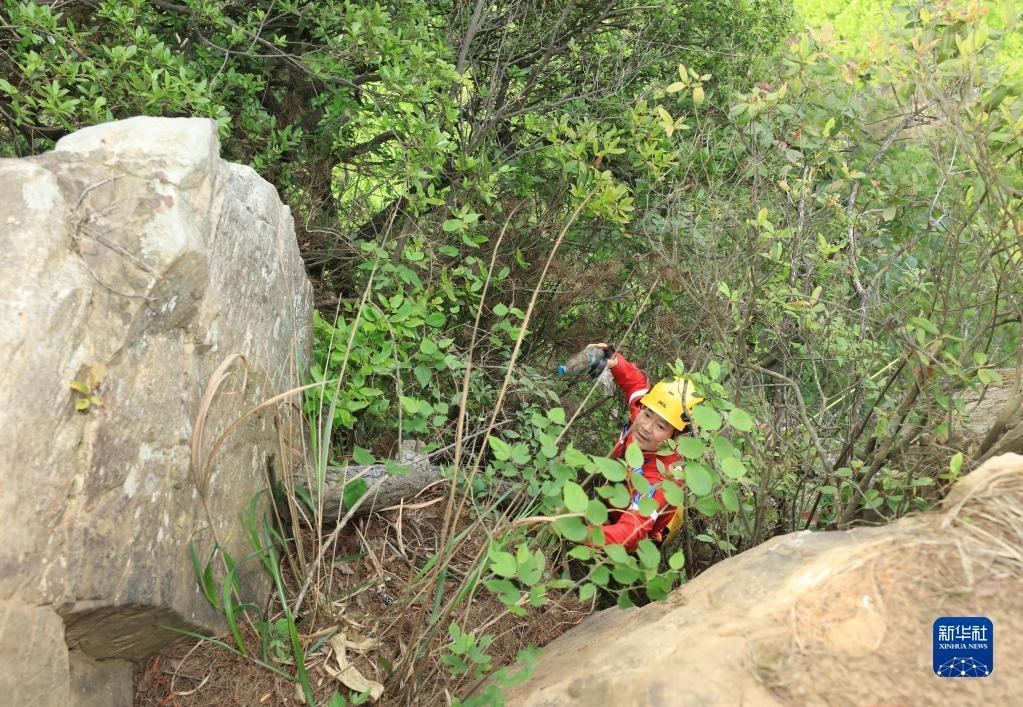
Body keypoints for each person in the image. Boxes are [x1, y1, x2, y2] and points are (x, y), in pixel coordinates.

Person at [589, 343, 704, 552]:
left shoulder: (662, 480)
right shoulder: (642, 412)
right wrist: (615, 361)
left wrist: (578, 532)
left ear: (678, 438)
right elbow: (635, 384)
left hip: (638, 530)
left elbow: (627, 534)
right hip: (615, 495)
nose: (646, 427)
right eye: (648, 414)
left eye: (661, 426)